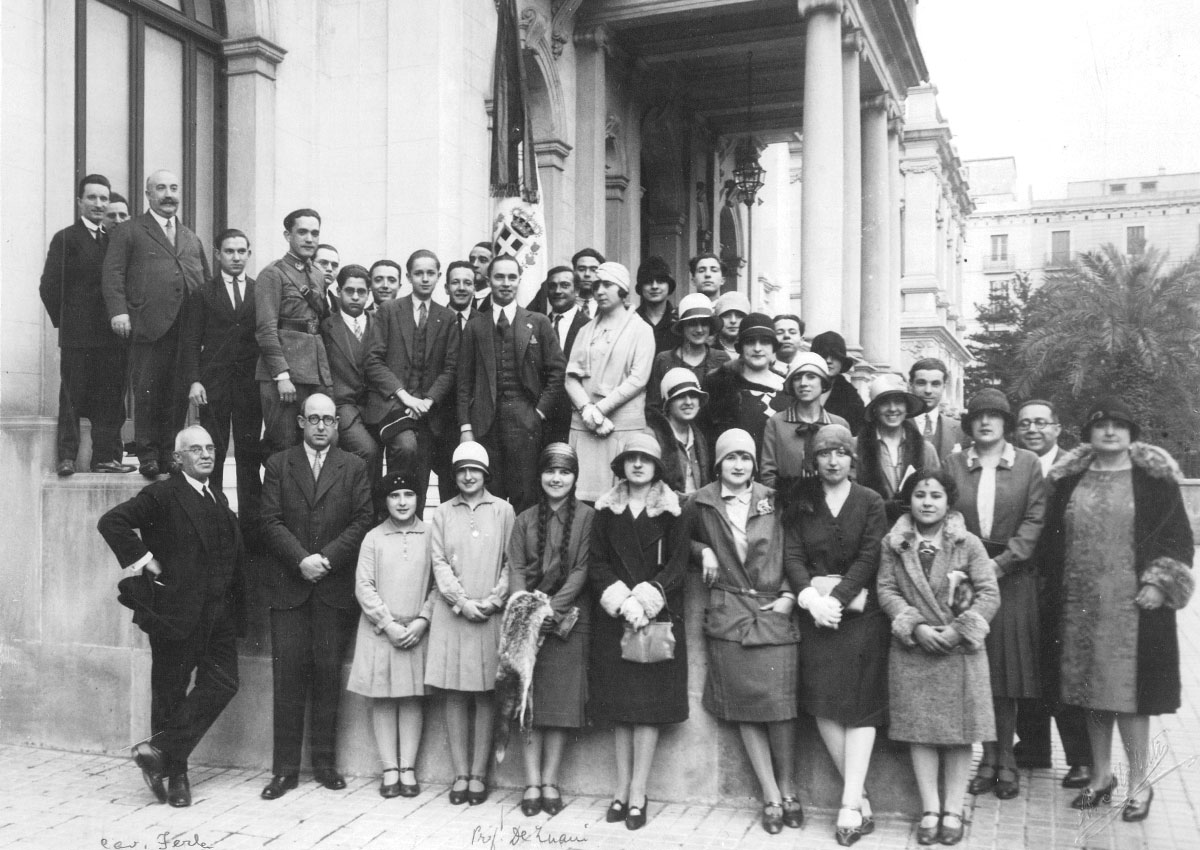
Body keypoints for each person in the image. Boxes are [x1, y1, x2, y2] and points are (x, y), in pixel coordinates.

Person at [1038, 399, 1193, 822]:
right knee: (1089, 693)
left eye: (1119, 425)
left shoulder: (1154, 480)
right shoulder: (1069, 480)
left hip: (1135, 606)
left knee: (1131, 698)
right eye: (1101, 425)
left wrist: (1159, 583)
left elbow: (1177, 538)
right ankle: (1101, 776)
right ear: (1088, 433)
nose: (1110, 431)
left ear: (1131, 433)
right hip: (1080, 606)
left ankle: (1140, 783)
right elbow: (1052, 538)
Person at [98, 425, 245, 808]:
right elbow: (111, 521)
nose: (206, 455)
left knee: (224, 682)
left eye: (210, 448)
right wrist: (145, 561)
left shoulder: (217, 497)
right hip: (175, 613)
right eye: (196, 449)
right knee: (170, 694)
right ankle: (176, 775)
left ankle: (159, 751)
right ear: (178, 458)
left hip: (218, 615)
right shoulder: (162, 494)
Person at [682, 429, 800, 835]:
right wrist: (703, 550)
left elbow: (796, 548)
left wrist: (789, 595)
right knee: (745, 705)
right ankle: (770, 794)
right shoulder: (701, 501)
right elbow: (677, 537)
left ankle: (789, 787)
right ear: (718, 463)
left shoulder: (775, 499)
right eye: (730, 457)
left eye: (745, 458)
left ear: (754, 463)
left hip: (772, 608)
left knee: (780, 707)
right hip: (730, 612)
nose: (738, 465)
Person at [876, 469, 1000, 846]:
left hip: (958, 651)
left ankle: (953, 808)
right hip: (915, 650)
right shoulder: (894, 543)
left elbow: (989, 593)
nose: (927, 503)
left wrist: (959, 630)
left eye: (935, 496)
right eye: (919, 495)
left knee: (960, 733)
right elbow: (886, 589)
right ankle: (930, 808)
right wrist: (914, 626)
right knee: (921, 731)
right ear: (908, 501)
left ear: (949, 502)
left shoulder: (968, 543)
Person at [258, 393, 373, 799]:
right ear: (301, 423)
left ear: (337, 425)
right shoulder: (278, 464)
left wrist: (326, 558)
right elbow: (269, 520)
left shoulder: (354, 466)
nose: (321, 426)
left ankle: (325, 764)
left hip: (332, 588)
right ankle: (284, 771)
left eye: (328, 419)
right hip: (290, 588)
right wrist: (300, 560)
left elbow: (363, 520)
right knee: (287, 680)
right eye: (314, 419)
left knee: (327, 677)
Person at [782, 424, 889, 846]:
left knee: (861, 707)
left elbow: (870, 555)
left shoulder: (870, 501)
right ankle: (859, 798)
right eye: (824, 453)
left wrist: (836, 599)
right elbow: (792, 554)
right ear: (813, 460)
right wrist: (810, 599)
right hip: (817, 616)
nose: (832, 460)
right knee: (823, 702)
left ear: (852, 459)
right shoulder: (802, 500)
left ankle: (848, 805)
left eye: (840, 453)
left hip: (861, 617)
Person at [943, 389, 1045, 802]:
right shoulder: (953, 463)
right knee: (976, 670)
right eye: (979, 416)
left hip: (1012, 577)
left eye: (995, 416)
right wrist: (967, 565)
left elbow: (1035, 521)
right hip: (965, 577)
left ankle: (1007, 760)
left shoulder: (1028, 463)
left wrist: (1000, 565)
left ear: (1006, 423)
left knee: (1006, 675)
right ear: (969, 423)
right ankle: (985, 759)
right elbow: (947, 515)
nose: (986, 422)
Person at [589, 433, 687, 831]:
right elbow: (597, 562)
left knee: (647, 707)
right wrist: (621, 600)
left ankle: (638, 792)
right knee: (622, 708)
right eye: (631, 458)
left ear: (657, 466)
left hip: (654, 620)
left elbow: (678, 564)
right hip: (617, 620)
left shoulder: (673, 511)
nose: (638, 465)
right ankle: (619, 788)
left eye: (645, 459)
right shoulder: (606, 511)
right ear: (622, 466)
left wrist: (646, 600)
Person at [506, 444, 595, 817]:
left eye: (565, 472)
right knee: (529, 702)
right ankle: (530, 782)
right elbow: (515, 568)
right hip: (527, 624)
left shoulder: (588, 518)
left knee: (559, 706)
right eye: (550, 471)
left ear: (575, 477)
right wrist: (527, 611)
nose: (556, 478)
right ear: (540, 475)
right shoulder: (524, 519)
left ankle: (550, 781)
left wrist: (551, 611)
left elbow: (582, 569)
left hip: (567, 622)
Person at [103, 169, 210, 477]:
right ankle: (148, 454)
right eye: (161, 188)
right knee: (148, 392)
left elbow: (204, 279)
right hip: (147, 325)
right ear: (148, 194)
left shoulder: (190, 237)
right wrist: (118, 312)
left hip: (185, 330)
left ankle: (170, 454)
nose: (168, 194)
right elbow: (112, 273)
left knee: (178, 394)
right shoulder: (130, 230)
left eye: (173, 188)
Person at [425, 442, 514, 806]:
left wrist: (494, 600)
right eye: (461, 470)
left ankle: (479, 773)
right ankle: (460, 773)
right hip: (454, 614)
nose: (467, 476)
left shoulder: (504, 510)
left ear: (485, 473)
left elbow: (512, 562)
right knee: (456, 692)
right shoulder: (442, 512)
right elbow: (438, 562)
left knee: (485, 692)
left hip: (490, 613)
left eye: (474, 469)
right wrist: (461, 602)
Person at [1012, 399, 1092, 787]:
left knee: (1065, 672)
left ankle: (1082, 759)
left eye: (1041, 423)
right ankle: (1033, 747)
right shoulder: (1015, 467)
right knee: (1027, 666)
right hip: (1022, 582)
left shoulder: (1077, 471)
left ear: (1057, 429)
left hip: (1065, 585)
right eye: (1025, 423)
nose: (1032, 429)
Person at [347, 470, 437, 798]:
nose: (402, 502)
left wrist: (423, 619)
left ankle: (408, 768)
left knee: (411, 697)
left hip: (415, 630)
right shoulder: (373, 538)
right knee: (383, 697)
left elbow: (439, 583)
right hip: (380, 631)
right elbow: (364, 586)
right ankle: (389, 769)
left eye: (408, 495)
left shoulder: (431, 535)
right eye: (394, 496)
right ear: (385, 501)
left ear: (418, 498)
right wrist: (388, 624)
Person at [457, 255, 565, 514]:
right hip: (485, 423)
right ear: (489, 281)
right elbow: (463, 382)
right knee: (489, 498)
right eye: (499, 277)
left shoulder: (538, 322)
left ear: (519, 280)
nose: (505, 283)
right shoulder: (475, 326)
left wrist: (539, 412)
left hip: (525, 422)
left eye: (511, 277)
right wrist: (466, 427)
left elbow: (557, 371)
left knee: (526, 495)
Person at [40, 173, 131, 475]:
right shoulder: (66, 238)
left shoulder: (115, 241)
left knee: (110, 400)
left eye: (104, 198)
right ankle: (67, 457)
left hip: (112, 338)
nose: (98, 204)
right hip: (78, 338)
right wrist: (68, 322)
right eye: (92, 197)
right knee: (72, 398)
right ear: (80, 201)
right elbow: (49, 286)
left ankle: (106, 458)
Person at [179, 228, 263, 538]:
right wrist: (194, 381)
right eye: (229, 251)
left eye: (241, 251)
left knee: (249, 452)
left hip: (250, 384)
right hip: (213, 384)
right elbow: (190, 341)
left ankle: (251, 527)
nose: (236, 257)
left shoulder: (259, 291)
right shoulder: (203, 293)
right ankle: (214, 518)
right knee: (211, 449)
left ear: (249, 254)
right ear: (217, 255)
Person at [364, 250, 460, 513]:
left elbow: (450, 368)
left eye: (430, 273)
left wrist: (428, 401)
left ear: (439, 276)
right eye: (419, 273)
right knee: (406, 448)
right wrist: (405, 397)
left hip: (428, 411)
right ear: (408, 277)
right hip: (393, 405)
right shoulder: (389, 310)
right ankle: (389, 520)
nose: (425, 279)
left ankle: (414, 527)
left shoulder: (447, 317)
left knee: (422, 470)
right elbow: (373, 360)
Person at [564, 261, 655, 502]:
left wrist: (599, 410)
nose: (600, 291)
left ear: (622, 290)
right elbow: (571, 377)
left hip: (620, 428)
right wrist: (587, 410)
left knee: (620, 499)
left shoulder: (641, 330)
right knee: (581, 501)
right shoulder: (585, 330)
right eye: (596, 286)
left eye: (607, 285)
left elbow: (638, 379)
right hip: (585, 427)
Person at [254, 208, 332, 455]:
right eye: (302, 232)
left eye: (315, 233)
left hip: (315, 372)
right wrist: (281, 376)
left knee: (316, 446)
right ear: (288, 235)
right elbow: (266, 330)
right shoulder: (272, 274)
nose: (309, 239)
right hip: (284, 375)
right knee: (284, 445)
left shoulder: (317, 275)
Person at [320, 265, 382, 496]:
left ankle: (375, 509)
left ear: (369, 293)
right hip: (343, 404)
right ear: (338, 292)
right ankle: (360, 508)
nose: (355, 297)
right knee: (368, 451)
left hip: (376, 404)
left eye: (361, 291)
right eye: (349, 291)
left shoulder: (380, 323)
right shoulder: (326, 326)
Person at [700, 312, 785, 458]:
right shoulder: (719, 385)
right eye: (750, 342)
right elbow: (706, 437)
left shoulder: (788, 387)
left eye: (764, 342)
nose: (757, 348)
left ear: (773, 347)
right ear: (741, 347)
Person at [855, 374, 937, 522]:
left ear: (907, 407)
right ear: (875, 408)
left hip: (914, 528)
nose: (892, 409)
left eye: (898, 402)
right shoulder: (856, 446)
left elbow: (936, 492)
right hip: (869, 527)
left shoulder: (926, 449)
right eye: (885, 402)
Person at [760, 353, 849, 489]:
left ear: (823, 382)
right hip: (786, 499)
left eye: (811, 377)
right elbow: (768, 475)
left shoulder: (839, 424)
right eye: (797, 378)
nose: (803, 383)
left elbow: (849, 472)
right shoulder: (776, 423)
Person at [646, 293, 728, 408]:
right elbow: (653, 406)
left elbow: (729, 405)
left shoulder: (721, 359)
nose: (699, 330)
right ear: (682, 326)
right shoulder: (664, 360)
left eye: (704, 323)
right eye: (693, 323)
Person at [645, 368, 712, 496]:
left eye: (693, 395)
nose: (688, 402)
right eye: (680, 396)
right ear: (668, 404)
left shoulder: (699, 437)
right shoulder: (652, 437)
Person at [542, 265, 589, 444]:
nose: (557, 291)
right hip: (544, 416)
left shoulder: (589, 326)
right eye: (552, 286)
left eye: (564, 285)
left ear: (576, 290)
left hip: (576, 415)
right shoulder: (537, 324)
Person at [810, 331, 866, 436]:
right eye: (824, 355)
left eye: (835, 356)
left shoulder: (852, 399)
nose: (829, 361)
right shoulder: (797, 388)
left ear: (842, 361)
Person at [909, 358, 965, 459]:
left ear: (943, 387)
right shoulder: (898, 424)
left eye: (935, 384)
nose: (928, 390)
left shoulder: (959, 429)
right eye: (921, 383)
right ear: (911, 385)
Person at [633, 256, 679, 353]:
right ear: (641, 287)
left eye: (660, 281)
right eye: (648, 282)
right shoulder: (632, 320)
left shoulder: (679, 320)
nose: (654, 286)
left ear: (669, 286)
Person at [711, 291, 750, 359]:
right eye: (727, 315)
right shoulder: (707, 349)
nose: (733, 321)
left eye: (739, 316)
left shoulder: (754, 349)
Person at [444, 260, 479, 332]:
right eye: (455, 282)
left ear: (474, 289)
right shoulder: (434, 321)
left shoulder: (485, 322)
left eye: (467, 283)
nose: (461, 288)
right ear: (447, 288)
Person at [571, 248, 605, 317]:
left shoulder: (609, 307)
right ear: (574, 272)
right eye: (581, 269)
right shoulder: (565, 306)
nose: (587, 274)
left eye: (593, 270)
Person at [314, 244, 341, 313]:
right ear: (310, 264)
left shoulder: (341, 305)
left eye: (334, 265)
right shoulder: (298, 297)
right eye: (323, 263)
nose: (330, 269)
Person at [468, 242, 494, 311]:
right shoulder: (462, 297)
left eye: (483, 260)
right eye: (472, 260)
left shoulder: (497, 300)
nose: (474, 264)